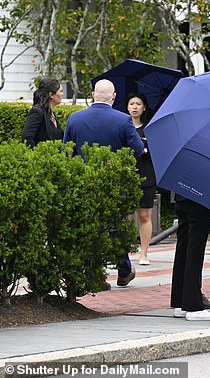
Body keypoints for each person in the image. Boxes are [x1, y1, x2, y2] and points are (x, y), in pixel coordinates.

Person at [63, 79, 145, 288]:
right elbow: (136, 150)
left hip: (83, 183)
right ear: (114, 97)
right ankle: (123, 270)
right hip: (114, 185)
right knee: (115, 228)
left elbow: (67, 152)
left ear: (92, 95)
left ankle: (94, 274)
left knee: (89, 228)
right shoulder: (124, 120)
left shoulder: (74, 119)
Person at [170, 195, 210, 321]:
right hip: (201, 198)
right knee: (195, 249)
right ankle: (193, 306)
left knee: (183, 247)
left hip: (182, 195)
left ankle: (180, 302)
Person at [127, 93, 156, 265]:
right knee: (123, 216)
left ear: (144, 107)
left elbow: (155, 150)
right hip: (126, 176)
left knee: (145, 215)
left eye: (138, 103)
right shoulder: (123, 127)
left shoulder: (150, 129)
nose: (135, 107)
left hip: (146, 175)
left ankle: (144, 253)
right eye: (132, 103)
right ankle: (123, 253)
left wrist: (144, 151)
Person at [21, 77, 64, 147]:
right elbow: (27, 138)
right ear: (51, 95)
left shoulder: (51, 114)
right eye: (61, 91)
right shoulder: (37, 112)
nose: (63, 94)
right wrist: (37, 156)